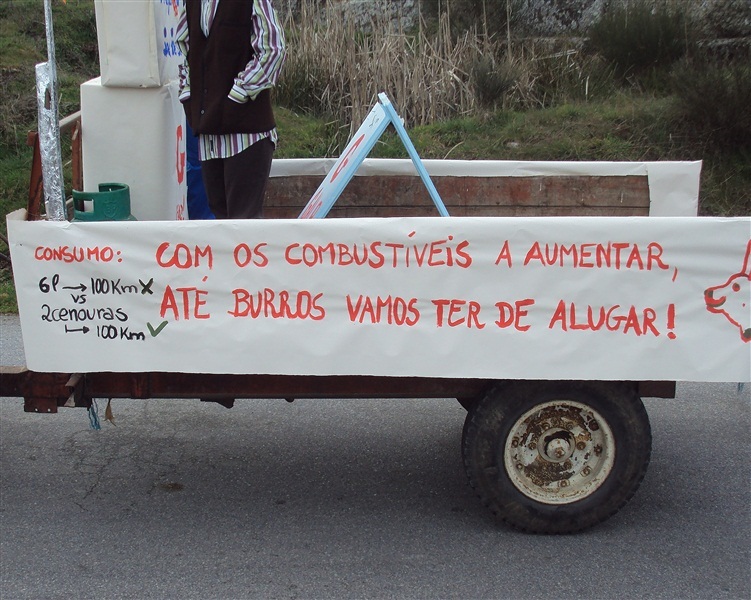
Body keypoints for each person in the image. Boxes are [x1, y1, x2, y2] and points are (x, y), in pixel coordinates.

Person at [176, 0, 286, 220]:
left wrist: (238, 94)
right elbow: (186, 52)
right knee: (221, 222)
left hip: (247, 135)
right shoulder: (192, 3)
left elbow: (273, 50)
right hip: (209, 137)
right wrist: (188, 96)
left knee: (244, 223)